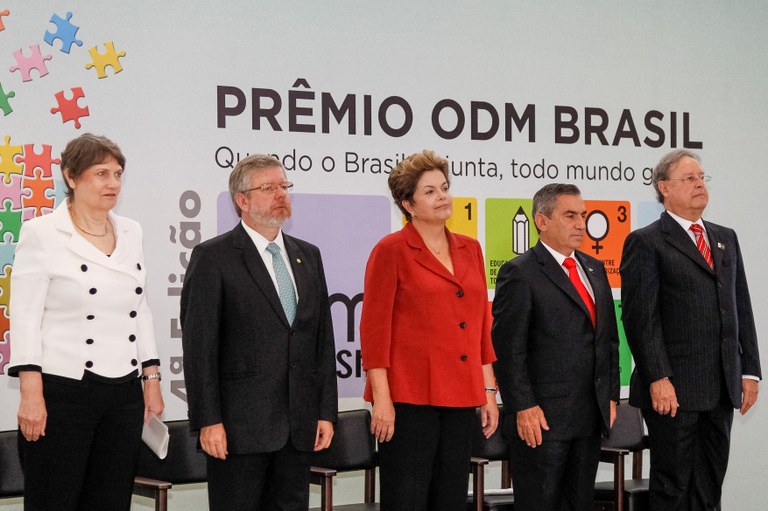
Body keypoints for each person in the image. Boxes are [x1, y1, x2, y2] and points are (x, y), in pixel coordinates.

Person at [7, 133, 164, 511]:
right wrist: (32, 393)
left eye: (118, 173)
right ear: (71, 177)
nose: (112, 183)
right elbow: (25, 313)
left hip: (124, 393)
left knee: (111, 500)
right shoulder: (41, 232)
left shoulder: (131, 231)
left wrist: (152, 378)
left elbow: (139, 307)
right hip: (62, 391)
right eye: (101, 173)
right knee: (54, 499)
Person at [180, 154, 337, 510]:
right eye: (268, 188)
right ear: (242, 200)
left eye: (284, 186)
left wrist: (325, 411)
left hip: (298, 427)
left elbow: (321, 342)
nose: (281, 193)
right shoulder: (213, 257)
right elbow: (199, 348)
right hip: (238, 430)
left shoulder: (307, 256)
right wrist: (208, 421)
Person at [620, 149, 761, 510]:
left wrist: (749, 371)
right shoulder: (647, 241)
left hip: (720, 386)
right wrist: (658, 378)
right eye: (689, 178)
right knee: (673, 489)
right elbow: (640, 318)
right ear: (665, 187)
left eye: (701, 177)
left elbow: (739, 306)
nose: (699, 184)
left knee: (709, 486)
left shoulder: (724, 237)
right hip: (673, 391)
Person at [360, 149, 498, 511]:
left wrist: (487, 391)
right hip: (408, 398)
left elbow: (480, 324)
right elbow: (374, 331)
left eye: (445, 187)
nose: (443, 197)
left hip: (461, 393)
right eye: (430, 192)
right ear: (408, 203)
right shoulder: (391, 250)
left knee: (450, 497)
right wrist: (383, 401)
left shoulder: (471, 248)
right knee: (407, 498)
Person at [491, 183, 620, 511]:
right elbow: (508, 350)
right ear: (541, 221)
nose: (581, 223)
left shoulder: (594, 268)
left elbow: (608, 339)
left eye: (583, 215)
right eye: (570, 215)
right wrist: (523, 406)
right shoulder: (520, 272)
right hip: (542, 422)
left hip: (589, 417)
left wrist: (610, 396)